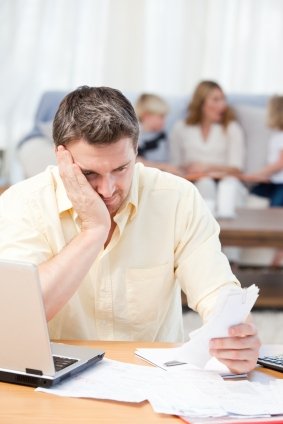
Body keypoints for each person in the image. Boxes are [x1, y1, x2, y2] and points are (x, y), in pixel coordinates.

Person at [0, 86, 259, 374]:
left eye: (121, 169)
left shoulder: (177, 198)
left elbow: (216, 290)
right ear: (61, 158)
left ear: (136, 150)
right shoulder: (23, 203)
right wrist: (93, 230)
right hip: (56, 381)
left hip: (153, 378)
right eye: (89, 174)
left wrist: (238, 334)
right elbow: (19, 318)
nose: (107, 190)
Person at [169, 80, 247, 218]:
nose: (222, 105)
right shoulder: (181, 128)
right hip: (196, 182)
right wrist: (189, 169)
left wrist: (206, 167)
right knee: (205, 184)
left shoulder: (231, 128)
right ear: (201, 102)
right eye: (215, 100)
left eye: (223, 99)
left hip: (226, 180)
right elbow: (175, 166)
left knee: (230, 186)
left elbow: (237, 168)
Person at [242, 95, 283, 267]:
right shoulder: (276, 135)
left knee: (275, 212)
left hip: (280, 184)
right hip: (272, 182)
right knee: (252, 195)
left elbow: (280, 163)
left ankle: (278, 253)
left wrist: (255, 174)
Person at [135, 93, 181, 175]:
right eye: (161, 117)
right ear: (146, 116)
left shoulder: (163, 135)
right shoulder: (137, 136)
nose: (164, 121)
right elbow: (137, 162)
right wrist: (163, 166)